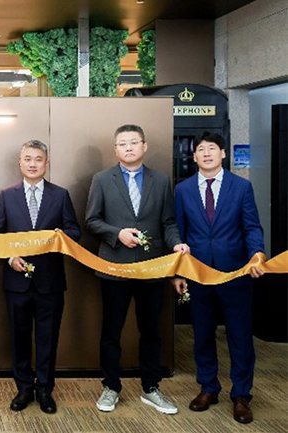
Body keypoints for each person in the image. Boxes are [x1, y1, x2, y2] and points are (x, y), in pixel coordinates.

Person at [85, 124, 189, 415]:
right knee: (111, 330)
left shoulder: (160, 180)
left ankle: (151, 388)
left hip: (152, 268)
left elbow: (168, 223)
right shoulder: (102, 179)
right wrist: (116, 233)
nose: (128, 147)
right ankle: (110, 386)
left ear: (144, 146)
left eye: (134, 142)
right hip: (115, 268)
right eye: (122, 143)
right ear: (115, 149)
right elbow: (91, 220)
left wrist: (177, 245)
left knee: (151, 330)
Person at [172, 132, 265, 424]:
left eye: (212, 149)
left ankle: (241, 395)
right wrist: (178, 271)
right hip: (198, 274)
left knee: (239, 336)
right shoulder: (183, 190)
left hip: (235, 274)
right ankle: (208, 388)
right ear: (195, 156)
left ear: (223, 153)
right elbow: (180, 232)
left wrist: (257, 255)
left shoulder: (242, 187)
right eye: (201, 150)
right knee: (202, 334)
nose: (207, 154)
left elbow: (252, 227)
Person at [0, 140, 81, 414]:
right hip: (16, 282)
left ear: (46, 163)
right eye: (28, 159)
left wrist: (58, 238)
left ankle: (45, 389)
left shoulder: (60, 195)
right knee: (19, 338)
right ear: (20, 163)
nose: (32, 164)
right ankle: (23, 388)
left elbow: (74, 232)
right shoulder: (6, 195)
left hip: (50, 282)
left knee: (47, 337)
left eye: (38, 159)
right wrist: (9, 258)